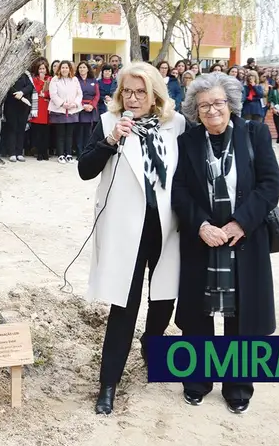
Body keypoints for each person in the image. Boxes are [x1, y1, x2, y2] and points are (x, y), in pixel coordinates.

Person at [77, 61, 187, 415]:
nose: (134, 98)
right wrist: (112, 141)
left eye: (141, 92)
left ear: (155, 95)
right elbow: (85, 169)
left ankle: (152, 346)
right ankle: (108, 383)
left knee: (163, 300)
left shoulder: (176, 125)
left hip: (167, 228)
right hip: (128, 230)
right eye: (128, 91)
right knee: (124, 304)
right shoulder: (110, 123)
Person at [172, 72, 279, 414]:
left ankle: (237, 387)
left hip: (244, 239)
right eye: (203, 105)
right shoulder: (187, 141)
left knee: (243, 316)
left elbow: (270, 184)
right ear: (195, 110)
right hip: (201, 238)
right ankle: (197, 380)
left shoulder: (254, 133)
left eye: (218, 103)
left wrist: (241, 222)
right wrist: (201, 225)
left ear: (230, 103)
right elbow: (179, 190)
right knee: (198, 315)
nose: (211, 110)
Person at [48, 60, 82, 164]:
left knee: (69, 134)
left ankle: (69, 154)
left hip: (72, 109)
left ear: (70, 69)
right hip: (59, 110)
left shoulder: (74, 79)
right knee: (60, 134)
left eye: (66, 67)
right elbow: (53, 94)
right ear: (59, 69)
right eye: (62, 68)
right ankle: (61, 154)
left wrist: (74, 103)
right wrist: (62, 104)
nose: (64, 69)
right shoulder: (55, 80)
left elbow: (79, 94)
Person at [2, 71, 34, 162]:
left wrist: (22, 92)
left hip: (23, 107)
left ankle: (19, 152)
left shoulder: (25, 75)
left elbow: (30, 86)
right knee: (12, 128)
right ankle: (12, 153)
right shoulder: (9, 73)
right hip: (11, 105)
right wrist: (19, 95)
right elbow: (8, 87)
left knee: (21, 129)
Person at [30, 59, 51, 161]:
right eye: (40, 69)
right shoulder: (35, 80)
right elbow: (37, 90)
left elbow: (52, 92)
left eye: (44, 68)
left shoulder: (50, 79)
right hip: (38, 107)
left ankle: (45, 152)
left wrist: (46, 94)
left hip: (47, 108)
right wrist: (41, 82)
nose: (42, 70)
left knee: (46, 132)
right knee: (38, 132)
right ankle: (39, 152)